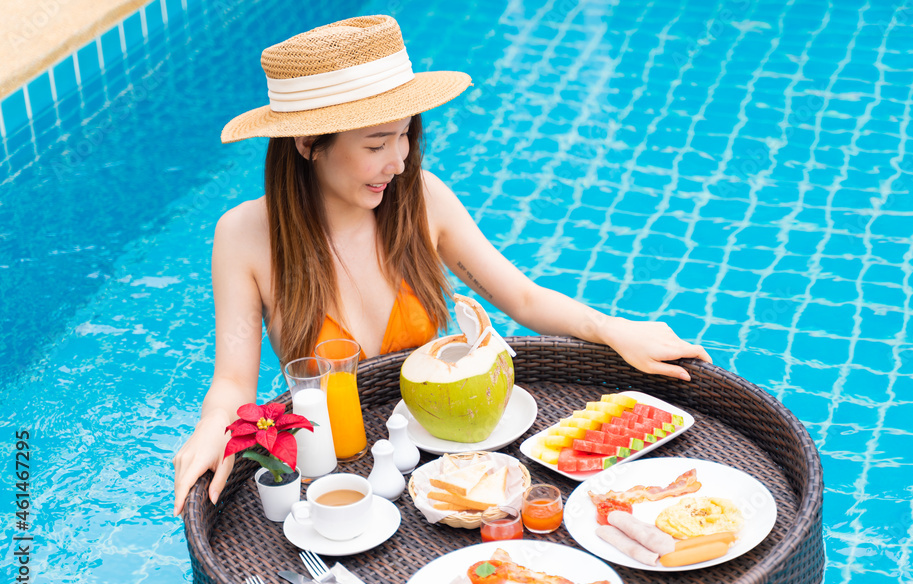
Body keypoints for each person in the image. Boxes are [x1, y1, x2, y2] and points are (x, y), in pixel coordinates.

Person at [172, 15, 711, 516]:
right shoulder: (246, 237)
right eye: (378, 142)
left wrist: (610, 328)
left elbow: (520, 298)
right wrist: (210, 427)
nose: (400, 160)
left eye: (406, 134)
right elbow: (232, 383)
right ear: (310, 142)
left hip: (450, 462)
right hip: (340, 479)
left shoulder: (420, 201)